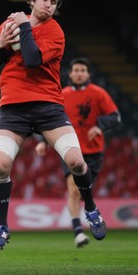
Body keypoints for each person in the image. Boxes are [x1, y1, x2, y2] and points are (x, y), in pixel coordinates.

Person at [0, 0, 106, 251]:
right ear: (33, 0)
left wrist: (24, 26)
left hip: (48, 106)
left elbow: (32, 59)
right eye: (45, 0)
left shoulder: (55, 32)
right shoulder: (9, 25)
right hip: (13, 107)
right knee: (0, 166)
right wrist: (2, 43)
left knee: (76, 161)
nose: (49, 5)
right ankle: (2, 226)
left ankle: (91, 207)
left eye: (54, 2)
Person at [35, 56, 121, 248]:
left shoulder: (98, 93)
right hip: (69, 149)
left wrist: (99, 126)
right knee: (73, 190)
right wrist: (43, 142)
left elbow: (115, 116)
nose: (80, 73)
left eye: (83, 70)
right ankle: (78, 232)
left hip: (93, 151)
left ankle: (89, 212)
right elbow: (51, 121)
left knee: (84, 192)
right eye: (77, 70)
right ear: (71, 74)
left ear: (88, 74)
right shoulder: (61, 94)